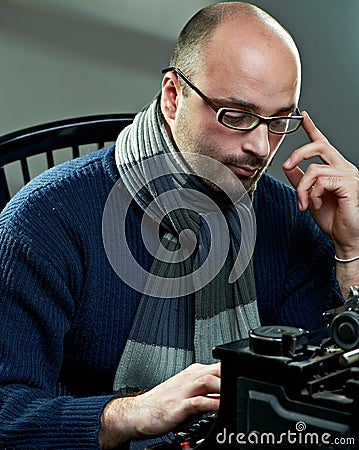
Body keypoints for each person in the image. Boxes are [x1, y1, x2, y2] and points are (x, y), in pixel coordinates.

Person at [0, 2, 358, 449]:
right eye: (237, 116)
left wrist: (351, 251)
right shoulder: (44, 223)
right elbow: (6, 413)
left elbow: (325, 392)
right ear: (173, 96)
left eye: (278, 120)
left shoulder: (288, 217)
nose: (260, 146)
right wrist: (131, 412)